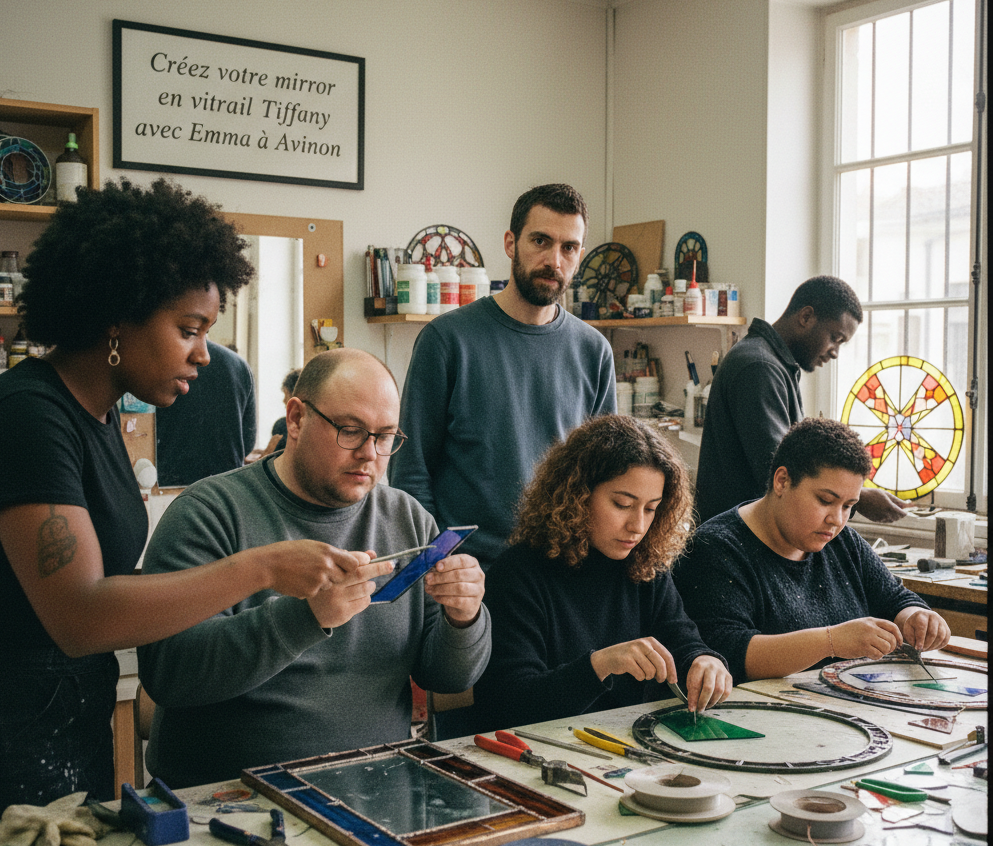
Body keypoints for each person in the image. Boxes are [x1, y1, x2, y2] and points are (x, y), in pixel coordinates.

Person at [0, 178, 367, 824]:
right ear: (117, 314)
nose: (204, 354)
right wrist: (262, 567)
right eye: (189, 328)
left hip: (65, 742)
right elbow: (81, 617)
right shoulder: (27, 418)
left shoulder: (94, 419)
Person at [137, 348, 491, 789]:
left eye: (385, 437)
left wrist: (465, 618)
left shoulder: (408, 518)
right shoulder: (210, 513)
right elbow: (170, 674)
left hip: (374, 789)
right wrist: (307, 617)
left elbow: (447, 677)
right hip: (230, 799)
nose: (369, 455)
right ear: (297, 418)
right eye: (350, 431)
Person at [389, 183, 617, 570]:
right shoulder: (447, 340)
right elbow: (410, 472)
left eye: (569, 247)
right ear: (511, 243)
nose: (554, 260)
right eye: (540, 241)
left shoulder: (594, 351)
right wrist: (438, 562)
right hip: (469, 575)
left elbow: (604, 476)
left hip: (557, 574)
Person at [472, 414, 732, 734]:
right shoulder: (518, 575)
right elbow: (509, 706)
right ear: (578, 495)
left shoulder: (644, 566)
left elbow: (682, 640)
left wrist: (704, 661)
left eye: (651, 508)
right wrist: (600, 665)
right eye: (622, 504)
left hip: (619, 748)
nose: (638, 526)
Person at [673, 418, 950, 687]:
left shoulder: (843, 543)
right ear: (782, 481)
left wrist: (915, 616)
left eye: (848, 506)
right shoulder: (715, 549)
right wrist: (831, 641)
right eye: (825, 500)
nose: (837, 519)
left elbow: (894, 598)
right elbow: (728, 653)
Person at [694, 276, 910, 525]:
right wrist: (856, 498)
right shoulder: (759, 366)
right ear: (806, 317)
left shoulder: (775, 364)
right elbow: (780, 469)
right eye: (835, 338)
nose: (835, 352)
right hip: (737, 542)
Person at [155, 339, 256, 486]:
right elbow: (248, 440)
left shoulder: (161, 361)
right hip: (227, 488)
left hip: (169, 487)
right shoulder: (240, 365)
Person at [246, 366, 299, 461]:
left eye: (285, 394)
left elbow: (271, 463)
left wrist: (264, 455)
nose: (283, 400)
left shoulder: (283, 425)